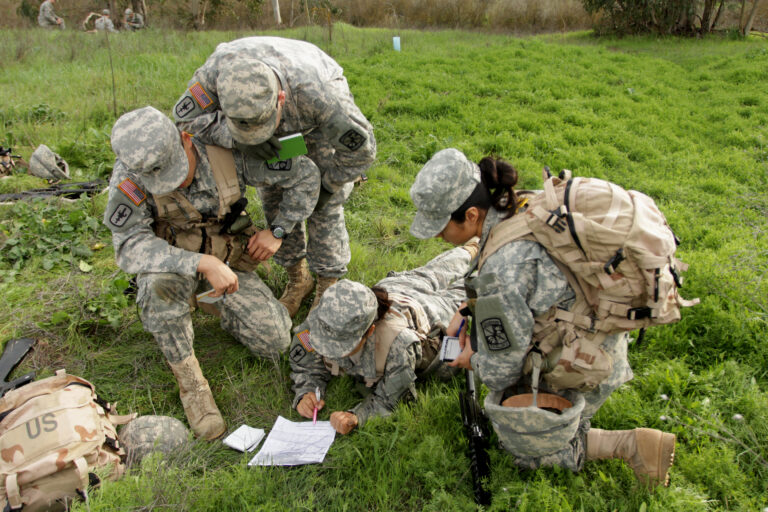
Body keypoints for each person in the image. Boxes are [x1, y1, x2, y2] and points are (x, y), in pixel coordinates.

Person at [408, 148, 677, 487]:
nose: (436, 236)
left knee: (525, 448)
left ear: (472, 214)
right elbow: (525, 291)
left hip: (587, 357)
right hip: (598, 327)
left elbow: (501, 367)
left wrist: (471, 358)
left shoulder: (502, 268)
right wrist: (466, 310)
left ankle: (634, 446)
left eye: (440, 227)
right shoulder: (520, 206)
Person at [104, 106, 292, 440]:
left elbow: (296, 155)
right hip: (174, 268)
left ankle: (208, 300)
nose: (173, 183)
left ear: (186, 140)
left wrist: (279, 231)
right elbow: (130, 245)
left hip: (228, 260)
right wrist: (202, 264)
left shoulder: (223, 142)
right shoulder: (130, 175)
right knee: (159, 285)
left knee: (275, 342)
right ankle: (192, 385)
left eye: (177, 170)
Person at [172, 36, 376, 317]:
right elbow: (184, 118)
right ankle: (298, 278)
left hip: (310, 121)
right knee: (274, 195)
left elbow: (361, 151)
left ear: (280, 100)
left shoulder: (320, 96)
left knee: (324, 206)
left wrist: (328, 187)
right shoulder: (215, 75)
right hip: (268, 118)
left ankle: (327, 285)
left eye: (262, 125)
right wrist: (238, 139)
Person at [289, 243, 476, 434]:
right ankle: (470, 250)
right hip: (396, 287)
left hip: (429, 309)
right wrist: (307, 391)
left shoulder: (397, 345)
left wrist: (357, 416)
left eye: (342, 345)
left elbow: (394, 399)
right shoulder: (321, 320)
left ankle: (478, 249)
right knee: (429, 273)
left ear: (369, 331)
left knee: (465, 289)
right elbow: (305, 362)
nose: (330, 349)